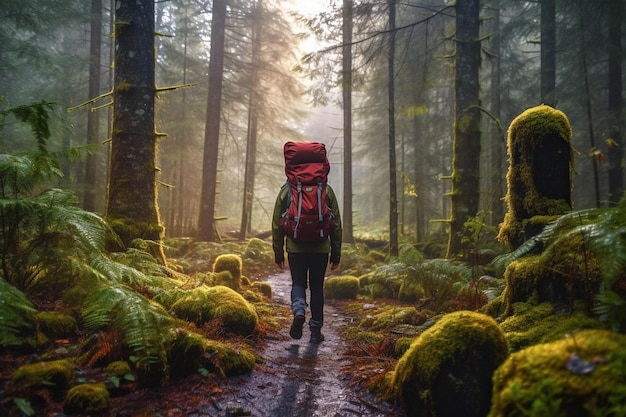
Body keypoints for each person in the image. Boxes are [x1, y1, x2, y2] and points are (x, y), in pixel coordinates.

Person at [272, 165, 342, 344]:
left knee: (298, 283)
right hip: (320, 249)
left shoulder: (287, 189)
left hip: (296, 248)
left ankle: (299, 312)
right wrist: (336, 255)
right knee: (317, 288)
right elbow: (336, 225)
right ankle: (316, 331)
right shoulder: (326, 189)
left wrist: (278, 253)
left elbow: (277, 224)